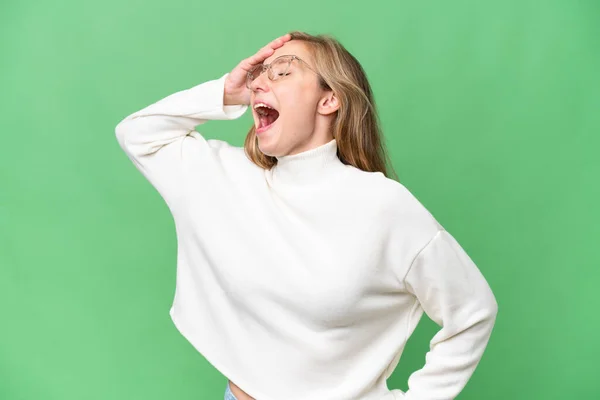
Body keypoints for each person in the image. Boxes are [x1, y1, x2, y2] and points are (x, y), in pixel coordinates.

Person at [115, 31, 498, 400]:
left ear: (329, 99)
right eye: (257, 77)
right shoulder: (221, 177)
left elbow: (472, 311)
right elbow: (137, 133)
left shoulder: (383, 206)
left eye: (282, 71)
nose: (261, 83)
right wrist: (226, 93)